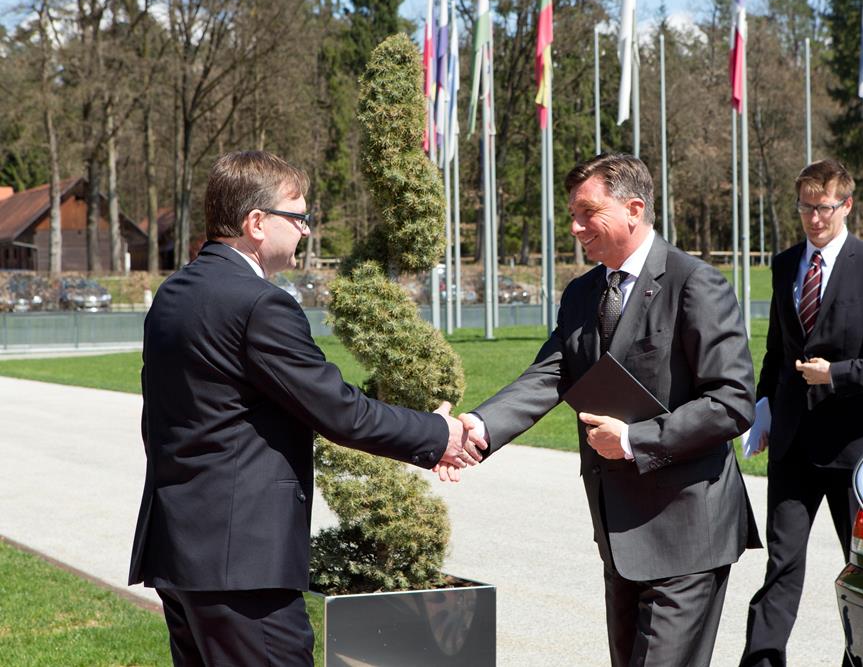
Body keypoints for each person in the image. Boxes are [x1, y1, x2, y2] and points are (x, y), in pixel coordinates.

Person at [128, 151, 483, 666]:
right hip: (242, 564)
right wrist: (439, 434)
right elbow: (339, 410)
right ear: (256, 223)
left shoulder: (175, 293)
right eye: (297, 218)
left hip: (181, 550)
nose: (306, 231)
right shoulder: (258, 303)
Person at [461, 152, 761, 667]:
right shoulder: (583, 292)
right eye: (572, 215)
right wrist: (480, 426)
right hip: (618, 534)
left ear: (634, 209)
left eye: (588, 213)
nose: (575, 227)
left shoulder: (695, 284)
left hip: (687, 534)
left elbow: (732, 401)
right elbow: (551, 373)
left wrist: (633, 440)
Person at [739, 159, 863, 667]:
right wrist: (763, 406)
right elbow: (778, 350)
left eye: (823, 208)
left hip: (853, 448)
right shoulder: (785, 264)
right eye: (805, 208)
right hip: (793, 447)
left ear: (846, 205)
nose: (814, 218)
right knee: (781, 567)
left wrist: (838, 375)